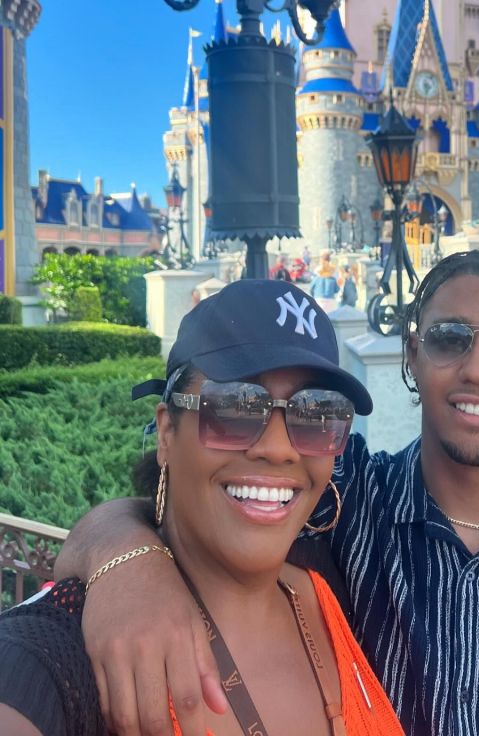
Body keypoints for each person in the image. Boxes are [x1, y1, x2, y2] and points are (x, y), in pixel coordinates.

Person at [50, 252, 479, 736]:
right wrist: (125, 559)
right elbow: (196, 497)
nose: (477, 369)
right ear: (412, 357)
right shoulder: (349, 502)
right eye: (447, 340)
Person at [0, 279, 404, 736]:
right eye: (233, 406)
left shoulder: (328, 576)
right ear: (167, 433)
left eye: (316, 412)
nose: (278, 448)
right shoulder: (69, 652)